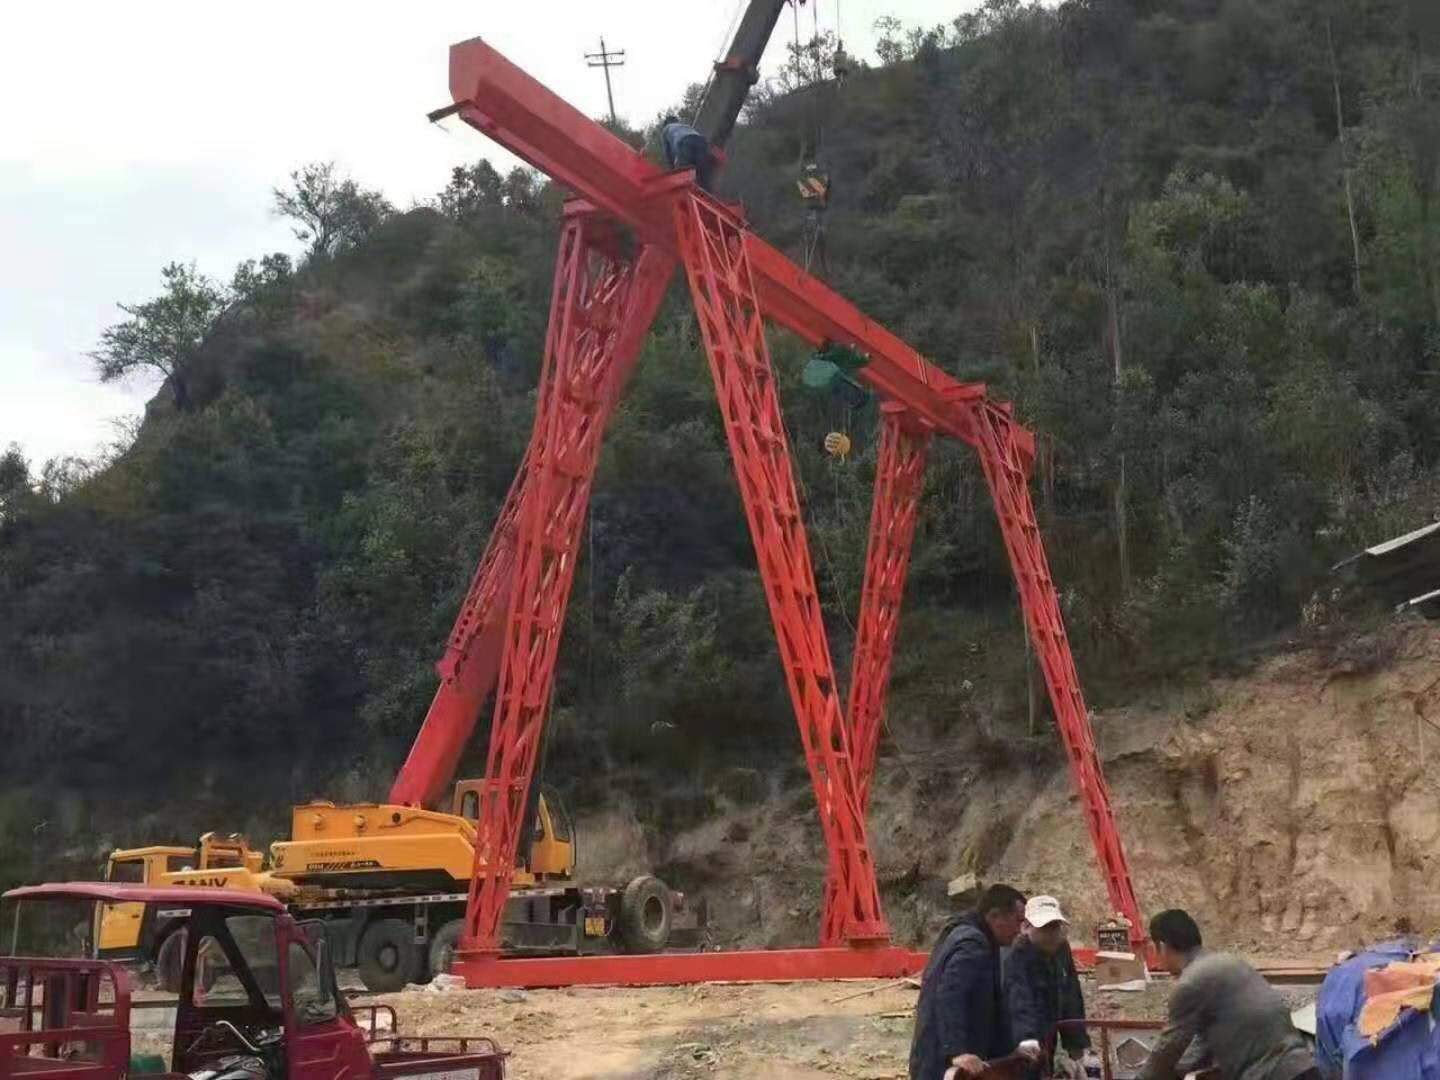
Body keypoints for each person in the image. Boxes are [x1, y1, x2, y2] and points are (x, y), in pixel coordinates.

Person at [1139, 909, 1318, 1080]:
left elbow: (1168, 1049)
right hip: (1302, 1067)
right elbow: (1203, 1045)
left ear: (1162, 947)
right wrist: (1177, 1071)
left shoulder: (1191, 982)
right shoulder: (1230, 963)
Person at [910, 884, 1041, 1080]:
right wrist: (957, 1051)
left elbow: (986, 1005)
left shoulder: (967, 934)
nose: (1020, 930)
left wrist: (1011, 1051)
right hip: (942, 1064)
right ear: (995, 916)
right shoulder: (973, 944)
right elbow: (950, 995)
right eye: (1018, 920)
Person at [1003, 896, 1090, 1078]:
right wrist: (1027, 1037)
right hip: (1017, 1039)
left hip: (1049, 1033)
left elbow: (1071, 995)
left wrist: (1076, 1043)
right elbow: (1019, 999)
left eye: (1055, 927)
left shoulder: (1062, 949)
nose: (1051, 934)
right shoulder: (1016, 954)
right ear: (1027, 927)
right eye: (1044, 928)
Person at [660, 115, 716, 192]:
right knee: (703, 172)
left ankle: (686, 191)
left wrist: (672, 171)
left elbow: (668, 153)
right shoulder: (685, 126)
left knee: (685, 171)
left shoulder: (666, 129)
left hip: (685, 142)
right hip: (701, 141)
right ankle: (708, 192)